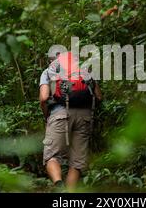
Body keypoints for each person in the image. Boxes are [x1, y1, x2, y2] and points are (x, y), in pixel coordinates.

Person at [39, 52, 102, 191]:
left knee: (52, 156)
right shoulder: (84, 71)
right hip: (84, 116)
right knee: (77, 162)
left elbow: (43, 98)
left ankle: (59, 184)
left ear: (52, 61)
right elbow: (98, 96)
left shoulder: (48, 72)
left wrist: (47, 117)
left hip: (59, 114)